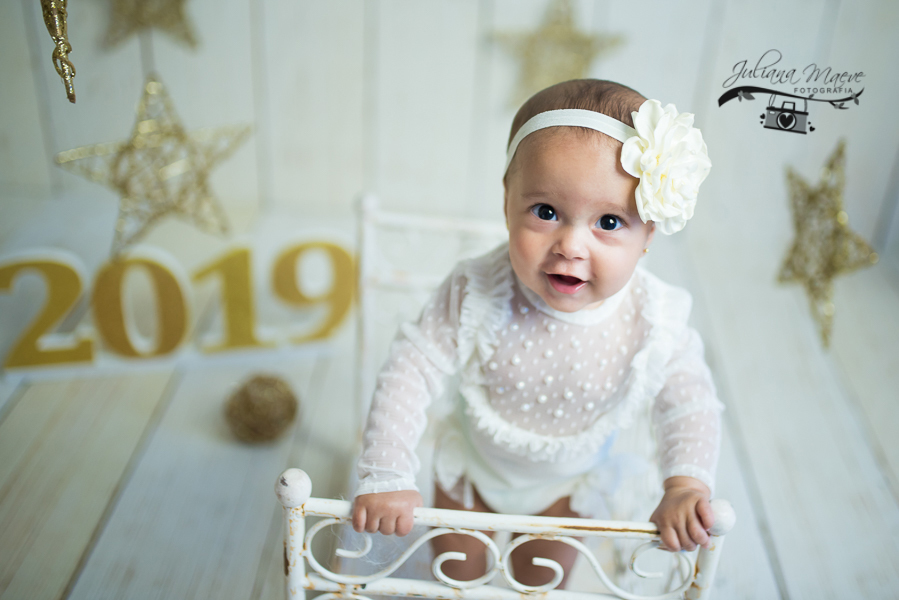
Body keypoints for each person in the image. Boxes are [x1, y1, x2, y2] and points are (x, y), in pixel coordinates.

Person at [351, 79, 723, 587]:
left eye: (609, 221)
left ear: (649, 233)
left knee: (539, 579)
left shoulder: (655, 319)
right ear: (508, 202)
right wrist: (388, 472)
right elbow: (410, 367)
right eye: (545, 212)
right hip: (473, 470)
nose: (571, 245)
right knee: (455, 572)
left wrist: (684, 483)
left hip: (567, 487)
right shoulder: (476, 289)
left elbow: (690, 403)